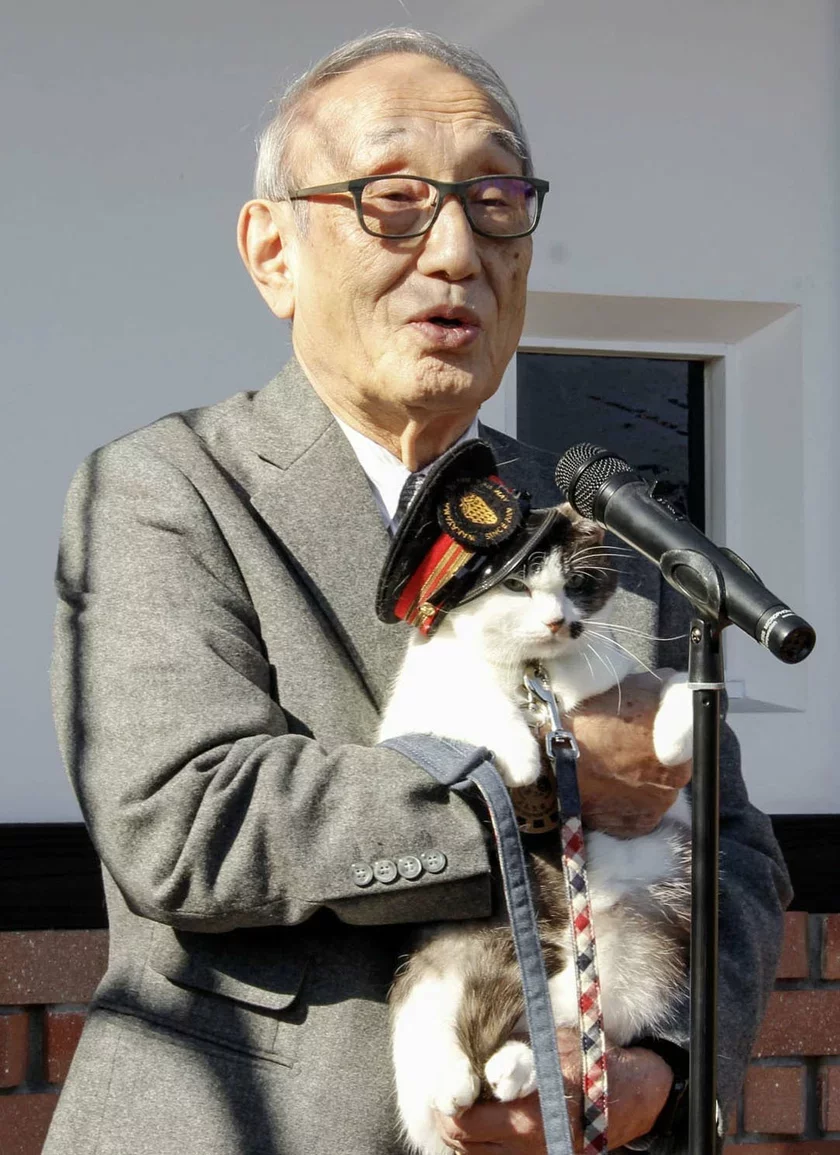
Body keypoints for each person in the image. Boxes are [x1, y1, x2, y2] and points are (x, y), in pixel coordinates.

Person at [46, 29, 790, 1155]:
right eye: (393, 200)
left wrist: (662, 1068)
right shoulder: (161, 488)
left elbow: (735, 852)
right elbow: (188, 822)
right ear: (273, 253)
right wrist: (546, 789)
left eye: (496, 201)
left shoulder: (599, 527)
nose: (455, 250)